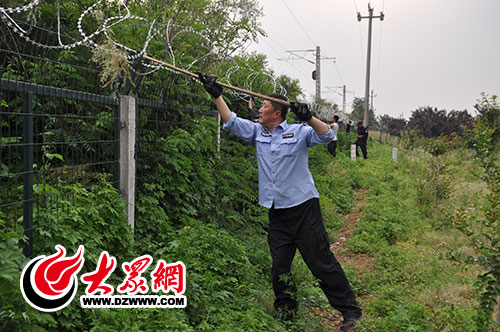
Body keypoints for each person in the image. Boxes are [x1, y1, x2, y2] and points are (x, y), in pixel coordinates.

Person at [197, 73, 362, 331]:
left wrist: (307, 116)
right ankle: (286, 312)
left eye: (263, 107)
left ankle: (349, 310)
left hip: (304, 208)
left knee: (320, 262)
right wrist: (216, 94)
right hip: (277, 212)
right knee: (280, 266)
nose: (259, 110)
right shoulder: (258, 132)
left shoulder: (298, 132)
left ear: (277, 113)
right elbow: (231, 120)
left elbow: (327, 136)